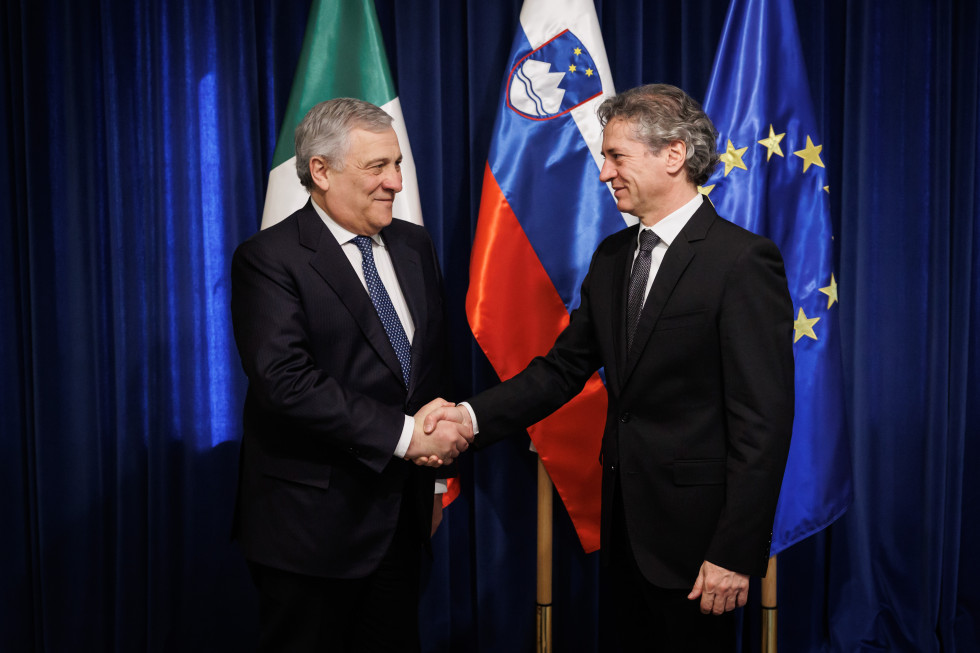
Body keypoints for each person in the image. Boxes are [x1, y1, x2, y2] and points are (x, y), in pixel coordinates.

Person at [424, 84, 795, 651]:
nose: (603, 173)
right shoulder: (613, 257)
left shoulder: (741, 261)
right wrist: (469, 417)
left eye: (616, 156)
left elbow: (762, 424)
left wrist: (733, 552)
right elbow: (561, 370)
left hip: (701, 550)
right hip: (623, 531)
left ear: (673, 155)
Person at [230, 97, 471, 653]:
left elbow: (431, 366)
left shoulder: (414, 245)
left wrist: (433, 478)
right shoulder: (270, 258)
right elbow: (285, 380)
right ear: (321, 170)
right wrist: (410, 438)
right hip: (309, 530)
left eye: (397, 164)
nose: (395, 181)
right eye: (377, 167)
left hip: (401, 518)